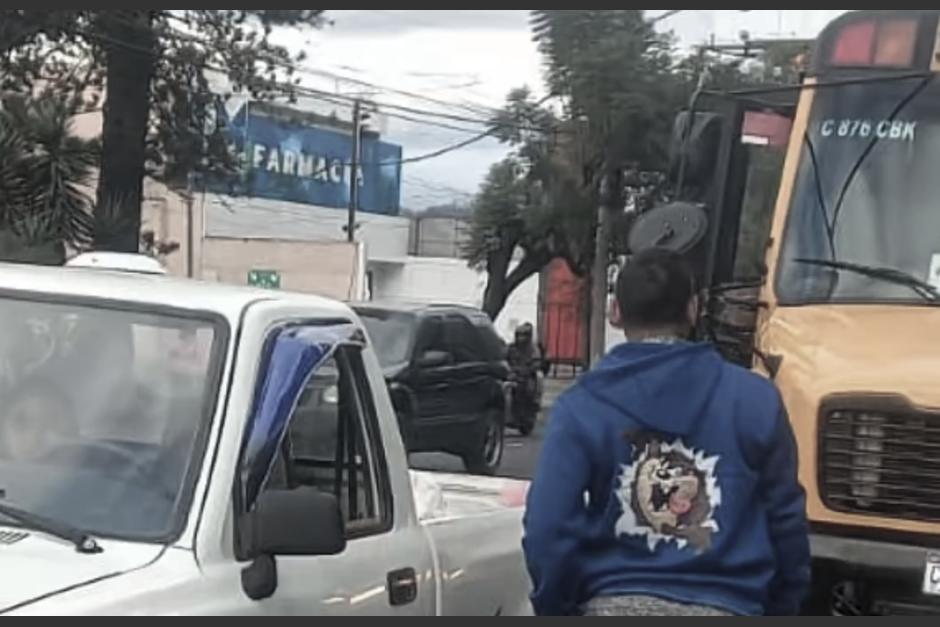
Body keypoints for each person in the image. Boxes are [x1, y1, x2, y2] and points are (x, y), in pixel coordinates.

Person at [522, 247, 810, 616]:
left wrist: (557, 608)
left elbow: (548, 527)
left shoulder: (580, 407)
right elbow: (786, 525)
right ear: (693, 309)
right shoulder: (756, 401)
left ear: (615, 312)